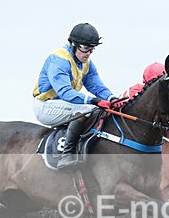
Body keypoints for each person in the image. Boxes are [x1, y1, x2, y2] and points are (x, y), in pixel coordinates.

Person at [32, 22, 123, 170]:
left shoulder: (86, 63)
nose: (88, 53)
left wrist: (112, 98)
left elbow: (96, 86)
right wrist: (95, 100)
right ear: (73, 44)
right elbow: (65, 92)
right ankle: (66, 155)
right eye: (85, 48)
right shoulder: (59, 61)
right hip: (46, 106)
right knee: (88, 109)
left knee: (98, 111)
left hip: (64, 106)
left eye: (91, 49)